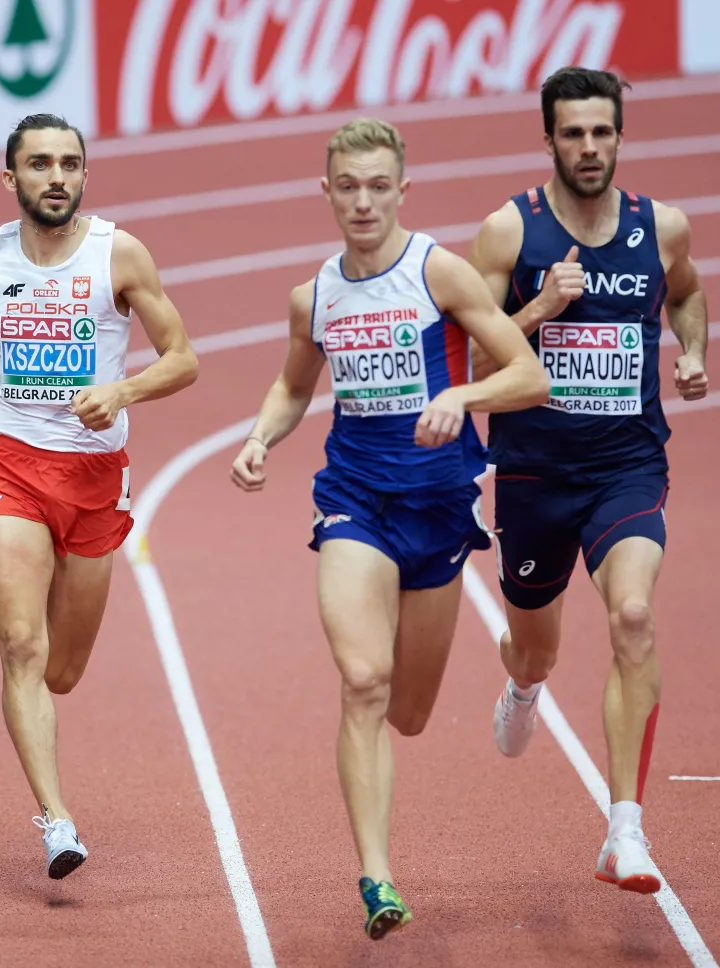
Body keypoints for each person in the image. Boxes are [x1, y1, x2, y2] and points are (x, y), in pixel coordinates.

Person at [228, 118, 549, 939]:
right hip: (354, 502)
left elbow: (527, 373)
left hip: (439, 509)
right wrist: (263, 436)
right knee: (364, 680)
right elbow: (294, 386)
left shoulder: (438, 272)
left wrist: (461, 399)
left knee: (408, 712)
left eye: (379, 186)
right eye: (349, 185)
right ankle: (376, 877)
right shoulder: (316, 297)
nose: (363, 200)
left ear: (401, 190)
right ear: (326, 191)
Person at [0, 113, 199, 879]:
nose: (57, 177)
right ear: (12, 179)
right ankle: (57, 821)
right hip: (7, 467)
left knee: (62, 670)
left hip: (93, 480)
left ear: (84, 175)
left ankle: (38, 710)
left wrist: (126, 387)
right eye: (40, 164)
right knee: (21, 646)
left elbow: (184, 359)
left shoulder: (120, 255)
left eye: (70, 164)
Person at [469, 67, 708, 894]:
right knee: (536, 648)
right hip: (534, 474)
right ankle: (523, 684)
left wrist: (694, 351)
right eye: (573, 133)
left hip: (626, 467)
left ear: (619, 136)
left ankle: (625, 830)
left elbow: (687, 296)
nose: (590, 147)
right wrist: (535, 311)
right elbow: (467, 360)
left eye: (602, 131)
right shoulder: (508, 233)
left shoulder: (661, 226)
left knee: (634, 615)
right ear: (548, 140)